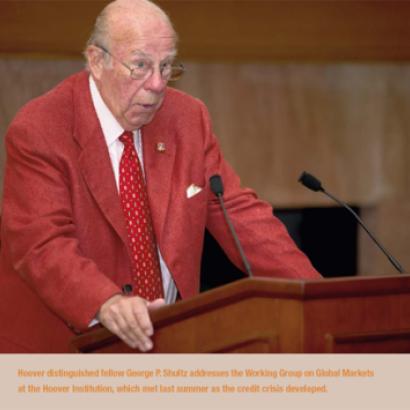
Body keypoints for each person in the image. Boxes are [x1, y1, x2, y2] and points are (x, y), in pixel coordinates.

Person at [0, 0, 321, 353]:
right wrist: (106, 302)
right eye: (140, 66)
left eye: (166, 66)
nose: (156, 84)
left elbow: (240, 215)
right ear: (97, 60)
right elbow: (43, 244)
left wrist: (318, 298)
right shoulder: (41, 127)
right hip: (59, 354)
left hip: (165, 344)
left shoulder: (187, 118)